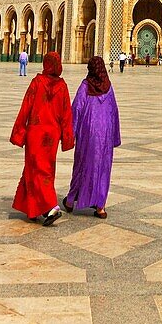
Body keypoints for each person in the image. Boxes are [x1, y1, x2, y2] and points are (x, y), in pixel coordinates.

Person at [10, 51, 73, 226]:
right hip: (52, 136)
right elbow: (67, 115)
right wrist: (67, 138)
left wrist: (19, 133)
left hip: (35, 133)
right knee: (42, 170)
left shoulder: (37, 82)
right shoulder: (62, 86)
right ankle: (33, 208)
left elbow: (25, 108)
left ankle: (50, 206)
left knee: (37, 169)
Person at [63, 56, 121, 220]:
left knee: (82, 166)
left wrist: (70, 134)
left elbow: (76, 109)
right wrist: (115, 136)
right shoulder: (108, 88)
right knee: (103, 169)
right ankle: (100, 207)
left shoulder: (85, 86)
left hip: (87, 134)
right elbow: (114, 112)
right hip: (105, 137)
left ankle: (70, 201)